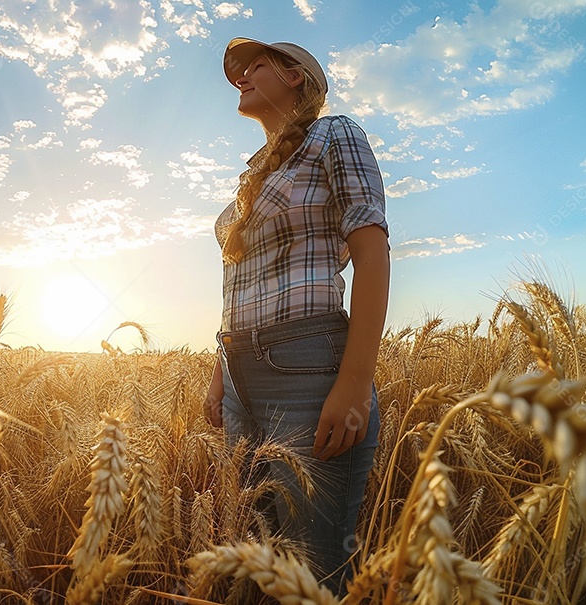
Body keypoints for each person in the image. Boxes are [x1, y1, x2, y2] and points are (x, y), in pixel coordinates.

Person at [203, 37, 389, 593]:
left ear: (295, 77)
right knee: (261, 555)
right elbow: (237, 284)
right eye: (239, 70)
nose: (242, 76)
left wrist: (355, 380)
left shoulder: (335, 135)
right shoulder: (251, 176)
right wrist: (221, 372)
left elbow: (372, 249)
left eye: (255, 65)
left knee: (315, 568)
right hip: (239, 377)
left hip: (307, 369)